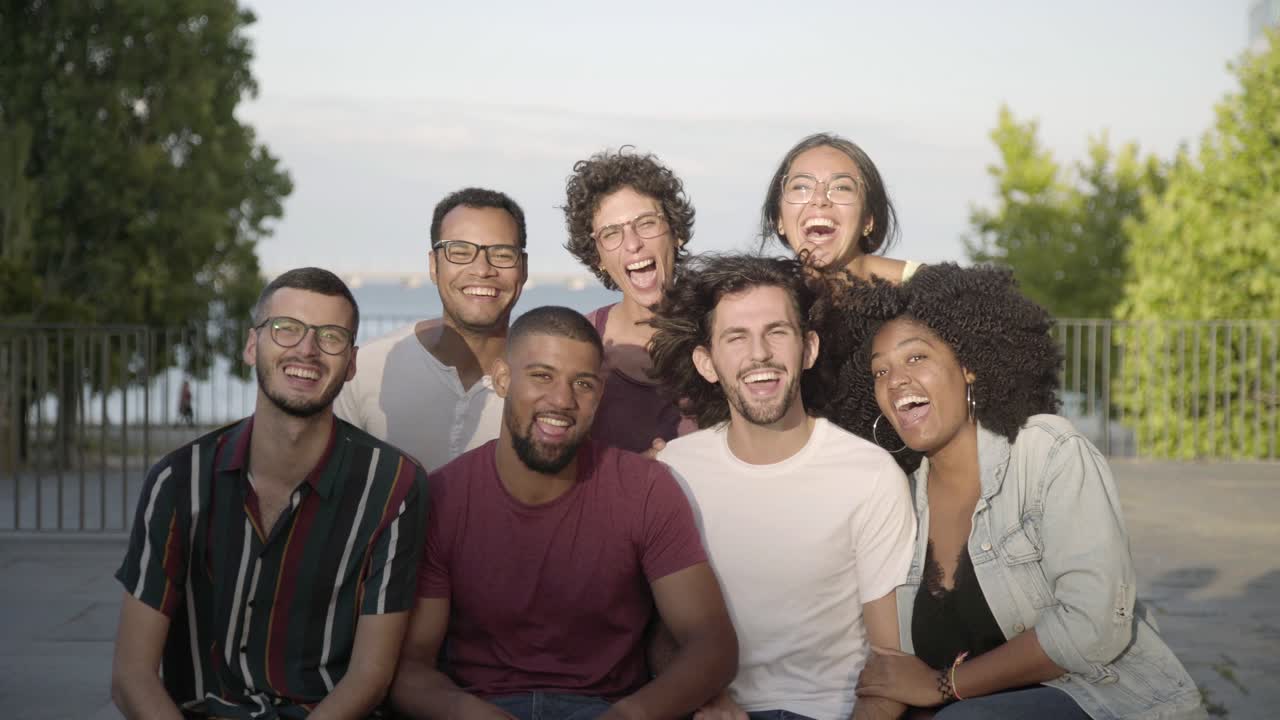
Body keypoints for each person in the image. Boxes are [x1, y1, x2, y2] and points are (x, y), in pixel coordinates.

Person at [837, 263, 1205, 719]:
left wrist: (946, 686)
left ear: (968, 365)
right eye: (879, 372)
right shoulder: (900, 501)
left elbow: (1092, 627)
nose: (896, 381)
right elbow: (890, 674)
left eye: (917, 358)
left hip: (1101, 701)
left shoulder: (1046, 452)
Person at [390, 306, 738, 720]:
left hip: (607, 708)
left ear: (601, 392)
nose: (562, 399)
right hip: (481, 706)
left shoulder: (644, 489)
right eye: (541, 376)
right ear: (503, 379)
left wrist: (630, 716)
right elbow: (411, 668)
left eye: (583, 383)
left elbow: (712, 644)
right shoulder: (444, 496)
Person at [111, 267, 429, 719]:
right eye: (286, 329)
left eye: (331, 336)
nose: (307, 349)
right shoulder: (178, 480)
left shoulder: (393, 485)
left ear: (352, 363)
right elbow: (131, 676)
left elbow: (369, 677)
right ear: (251, 344)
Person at [649, 254, 916, 720]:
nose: (760, 354)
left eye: (777, 332)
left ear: (808, 349)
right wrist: (701, 698)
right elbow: (658, 635)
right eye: (736, 337)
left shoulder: (870, 476)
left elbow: (890, 664)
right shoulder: (674, 472)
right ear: (706, 362)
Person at [336, 187, 529, 471]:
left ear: (523, 269)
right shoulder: (367, 369)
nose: (482, 269)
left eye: (501, 254)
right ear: (433, 265)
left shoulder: (547, 386)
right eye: (460, 251)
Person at [562, 148, 696, 454]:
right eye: (611, 233)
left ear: (675, 233)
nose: (633, 244)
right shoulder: (580, 344)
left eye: (647, 223)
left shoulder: (726, 329)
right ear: (597, 257)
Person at [760, 132, 921, 283]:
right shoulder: (756, 297)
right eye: (801, 186)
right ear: (779, 218)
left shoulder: (929, 293)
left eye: (841, 188)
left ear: (868, 220)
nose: (819, 199)